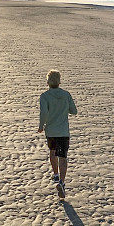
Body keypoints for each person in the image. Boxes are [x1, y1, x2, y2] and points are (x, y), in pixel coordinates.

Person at [38, 70, 77, 198]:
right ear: (59, 81)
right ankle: (62, 182)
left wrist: (41, 126)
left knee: (53, 151)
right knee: (63, 157)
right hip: (63, 131)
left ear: (48, 82)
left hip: (51, 131)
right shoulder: (66, 95)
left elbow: (43, 113)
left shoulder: (44, 96)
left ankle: (55, 174)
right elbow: (74, 111)